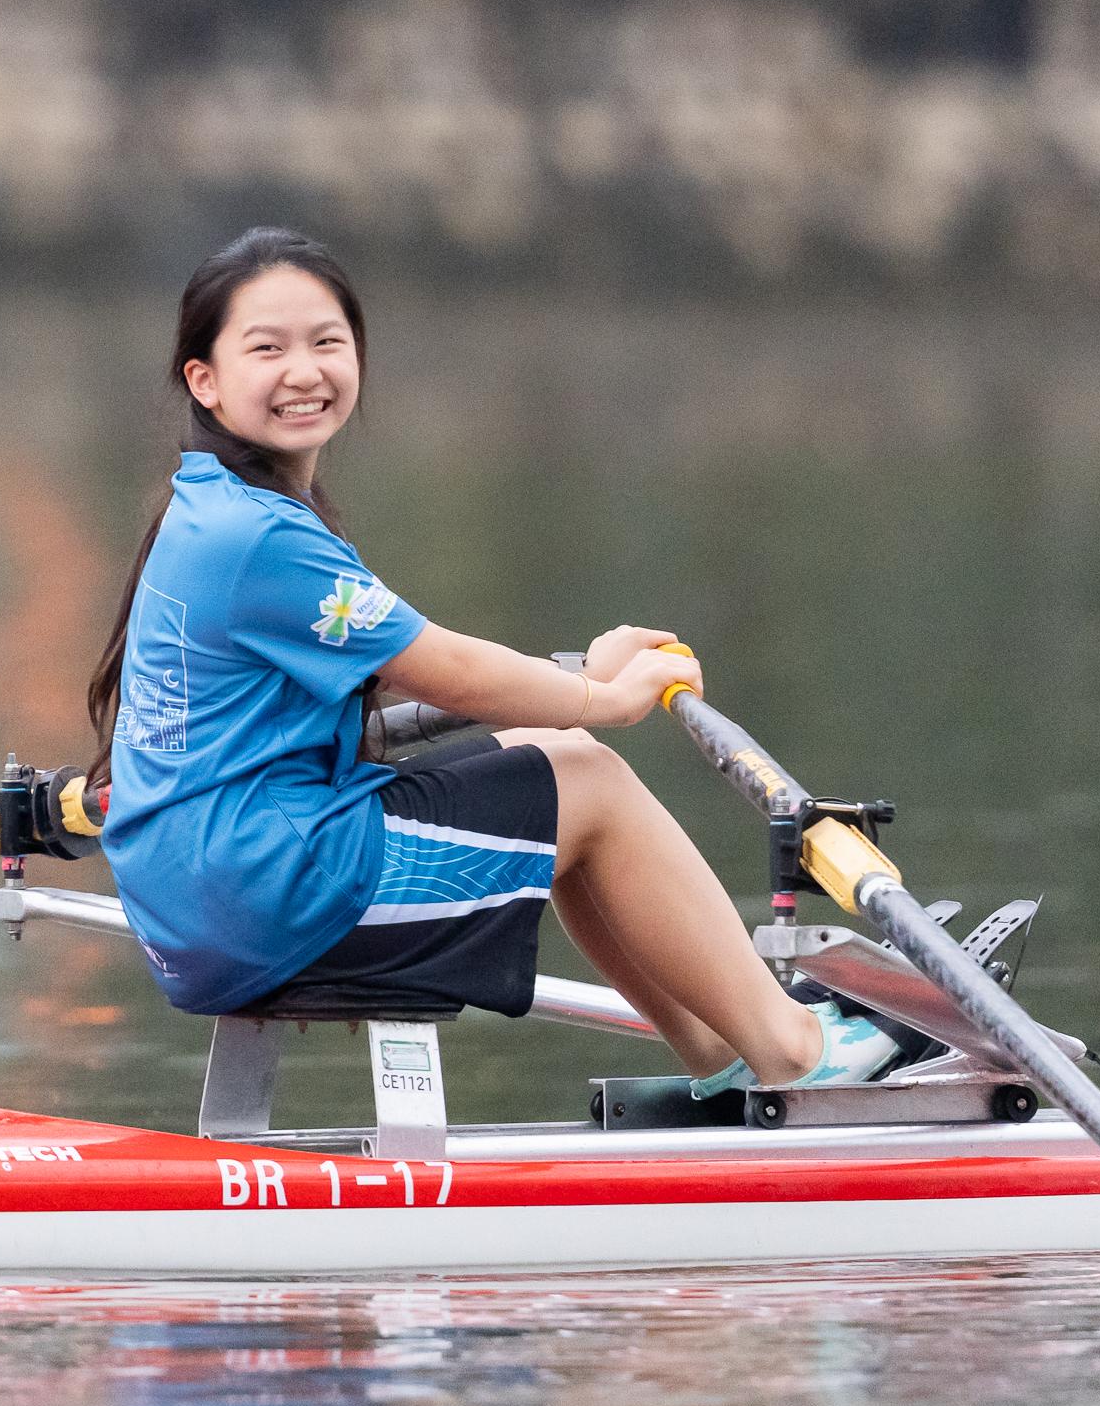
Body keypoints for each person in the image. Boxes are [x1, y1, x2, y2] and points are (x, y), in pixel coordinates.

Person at [89, 226, 897, 1096]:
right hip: (265, 904)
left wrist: (585, 673)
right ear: (202, 379)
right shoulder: (261, 536)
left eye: (327, 341)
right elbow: (443, 667)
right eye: (267, 348)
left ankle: (725, 1052)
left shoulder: (207, 502)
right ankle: (795, 1051)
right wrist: (605, 695)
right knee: (589, 779)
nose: (304, 371)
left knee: (544, 771)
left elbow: (432, 660)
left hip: (196, 907)